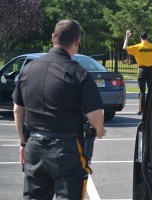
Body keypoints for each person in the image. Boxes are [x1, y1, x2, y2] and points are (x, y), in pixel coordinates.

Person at [12, 19, 106, 200]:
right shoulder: (79, 73)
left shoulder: (28, 70)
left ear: (53, 38)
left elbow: (17, 110)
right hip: (67, 147)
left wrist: (23, 142)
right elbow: (95, 116)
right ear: (77, 42)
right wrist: (99, 129)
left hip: (35, 145)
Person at [123, 29, 152, 115]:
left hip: (141, 70)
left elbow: (124, 47)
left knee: (142, 91)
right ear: (148, 37)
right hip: (150, 70)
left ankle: (141, 110)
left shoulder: (137, 47)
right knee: (151, 91)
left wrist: (127, 37)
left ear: (140, 38)